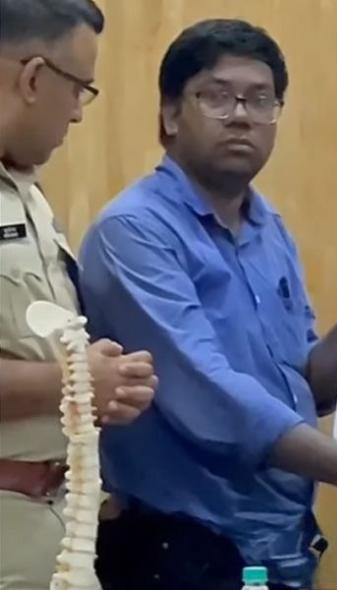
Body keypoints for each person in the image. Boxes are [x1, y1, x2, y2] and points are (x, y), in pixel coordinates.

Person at [77, 19, 337, 590]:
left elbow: (296, 384)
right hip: (179, 550)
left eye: (260, 99)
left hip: (283, 543)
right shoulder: (135, 231)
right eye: (217, 97)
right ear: (171, 115)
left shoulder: (268, 226)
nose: (242, 115)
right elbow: (209, 396)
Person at [0, 1, 157, 588]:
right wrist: (74, 381)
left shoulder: (26, 193)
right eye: (79, 89)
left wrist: (93, 387)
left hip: (55, 524)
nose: (78, 115)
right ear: (34, 77)